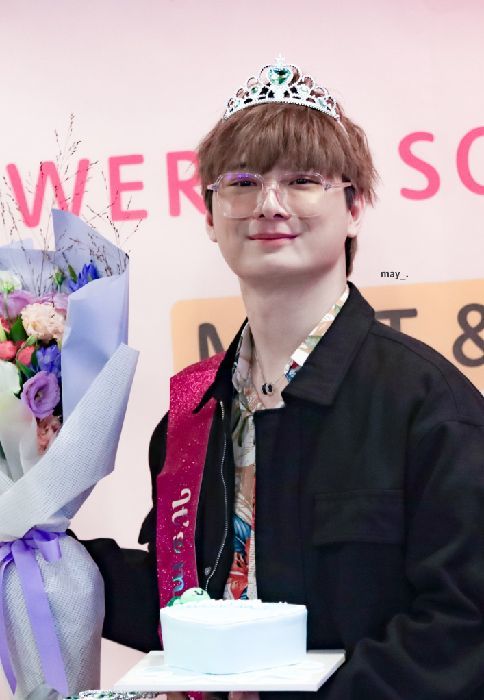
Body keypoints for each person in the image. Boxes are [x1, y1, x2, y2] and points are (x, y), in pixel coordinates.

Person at [83, 58, 484, 699]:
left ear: (354, 206)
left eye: (301, 180)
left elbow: (465, 627)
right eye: (241, 182)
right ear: (209, 215)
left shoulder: (426, 406)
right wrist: (43, 556)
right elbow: (181, 604)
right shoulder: (191, 417)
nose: (268, 205)